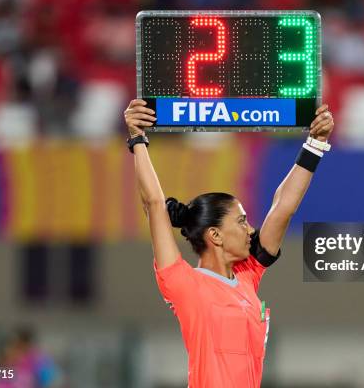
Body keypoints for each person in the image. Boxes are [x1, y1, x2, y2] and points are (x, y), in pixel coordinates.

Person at [123, 99, 334, 387]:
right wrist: (137, 138)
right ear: (215, 235)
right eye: (241, 221)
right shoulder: (185, 284)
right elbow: (155, 203)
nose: (250, 229)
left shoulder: (248, 275)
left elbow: (283, 207)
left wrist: (315, 143)